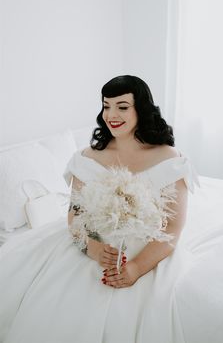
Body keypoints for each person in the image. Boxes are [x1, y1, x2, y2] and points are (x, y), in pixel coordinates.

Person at [0, 75, 198, 343]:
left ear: (141, 108)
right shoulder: (87, 158)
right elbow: (74, 217)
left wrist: (136, 268)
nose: (111, 115)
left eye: (122, 106)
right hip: (94, 248)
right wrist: (92, 249)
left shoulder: (169, 158)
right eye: (106, 106)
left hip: (148, 252)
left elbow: (174, 227)